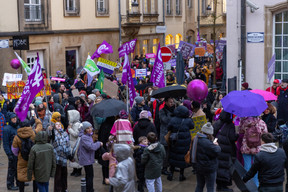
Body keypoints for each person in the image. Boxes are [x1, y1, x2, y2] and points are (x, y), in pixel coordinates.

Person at [12, 118, 43, 192]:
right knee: (34, 175)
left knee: (21, 177)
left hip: (22, 159)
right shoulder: (33, 133)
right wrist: (36, 119)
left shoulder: (17, 137)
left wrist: (19, 154)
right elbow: (39, 126)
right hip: (33, 158)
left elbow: (14, 150)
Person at [239, 116, 268, 187]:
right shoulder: (262, 123)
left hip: (247, 147)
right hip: (257, 148)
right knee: (257, 168)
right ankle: (256, 186)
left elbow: (240, 131)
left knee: (247, 167)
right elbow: (265, 133)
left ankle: (247, 186)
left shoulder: (244, 122)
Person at [167, 106, 193, 181]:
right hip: (185, 142)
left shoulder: (173, 119)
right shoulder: (188, 120)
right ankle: (181, 175)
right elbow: (192, 127)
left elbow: (168, 128)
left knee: (173, 156)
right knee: (182, 158)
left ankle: (171, 174)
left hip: (175, 141)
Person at [213, 111, 238, 191]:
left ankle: (219, 185)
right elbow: (232, 138)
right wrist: (237, 135)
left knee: (219, 165)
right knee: (225, 166)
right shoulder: (230, 125)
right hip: (227, 148)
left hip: (218, 147)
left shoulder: (217, 122)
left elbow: (213, 133)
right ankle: (223, 186)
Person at [193, 122, 221, 192]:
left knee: (199, 185)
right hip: (209, 168)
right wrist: (216, 145)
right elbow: (217, 151)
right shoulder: (207, 143)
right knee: (210, 187)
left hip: (198, 166)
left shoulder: (196, 138)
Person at [78, 121, 103, 192]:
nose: (90, 129)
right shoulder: (84, 137)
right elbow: (91, 147)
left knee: (89, 175)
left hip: (88, 159)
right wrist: (98, 143)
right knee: (90, 176)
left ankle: (89, 189)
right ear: (84, 130)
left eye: (90, 127)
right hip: (86, 160)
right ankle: (89, 190)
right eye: (87, 128)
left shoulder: (88, 136)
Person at [52, 121, 72, 192]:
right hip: (57, 158)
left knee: (64, 174)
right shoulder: (53, 134)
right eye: (56, 124)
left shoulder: (65, 133)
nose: (58, 125)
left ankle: (64, 188)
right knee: (58, 176)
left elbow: (68, 144)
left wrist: (69, 154)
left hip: (64, 157)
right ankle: (57, 190)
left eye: (59, 124)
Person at [3, 112, 20, 190]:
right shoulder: (6, 129)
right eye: (13, 119)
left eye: (15, 118)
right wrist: (9, 154)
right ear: (10, 119)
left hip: (18, 151)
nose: (15, 119)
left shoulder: (17, 127)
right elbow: (5, 143)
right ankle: (10, 184)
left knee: (18, 168)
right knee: (12, 169)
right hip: (11, 152)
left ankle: (18, 182)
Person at [159, 97, 175, 175]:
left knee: (172, 151)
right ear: (166, 102)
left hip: (172, 133)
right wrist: (171, 115)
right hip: (165, 134)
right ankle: (164, 168)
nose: (172, 104)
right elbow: (165, 120)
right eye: (170, 102)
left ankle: (172, 166)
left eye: (172, 102)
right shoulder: (162, 111)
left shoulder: (174, 110)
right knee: (166, 152)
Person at [67, 110, 83, 177]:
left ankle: (78, 171)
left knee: (77, 157)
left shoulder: (77, 124)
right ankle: (74, 170)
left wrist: (69, 129)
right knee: (73, 156)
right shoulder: (72, 124)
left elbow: (76, 134)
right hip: (72, 143)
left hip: (76, 143)